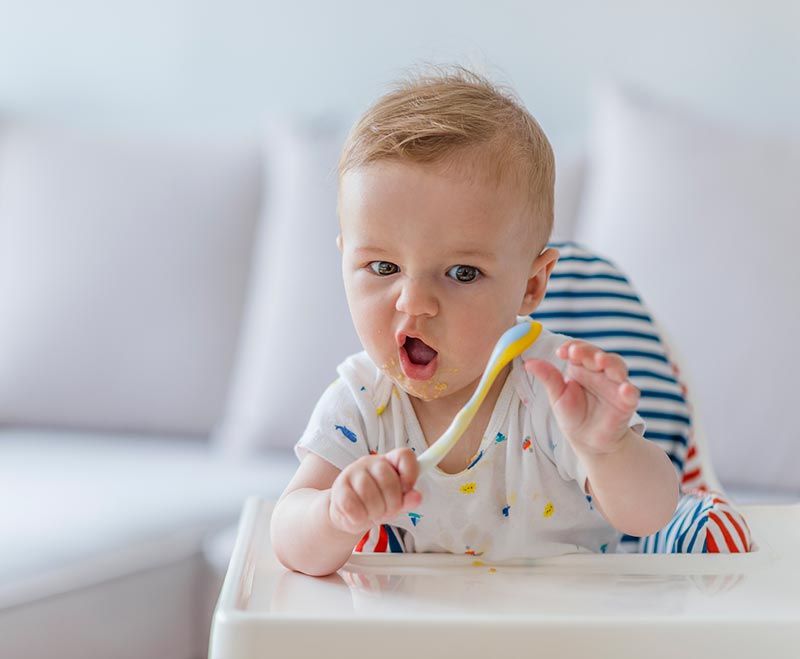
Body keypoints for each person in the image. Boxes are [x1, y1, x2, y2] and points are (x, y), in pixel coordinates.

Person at [270, 67, 679, 576]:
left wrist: (607, 448)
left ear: (531, 285)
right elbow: (288, 537)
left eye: (462, 273)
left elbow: (651, 515)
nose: (414, 302)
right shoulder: (362, 403)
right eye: (383, 268)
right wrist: (333, 516)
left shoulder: (552, 392)